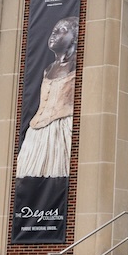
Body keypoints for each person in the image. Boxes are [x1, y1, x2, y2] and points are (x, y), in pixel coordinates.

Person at [16, 16, 79, 178]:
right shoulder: (48, 68)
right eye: (53, 31)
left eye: (61, 31)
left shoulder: (77, 65)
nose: (54, 34)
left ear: (74, 38)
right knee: (26, 176)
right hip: (37, 132)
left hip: (62, 129)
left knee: (58, 175)